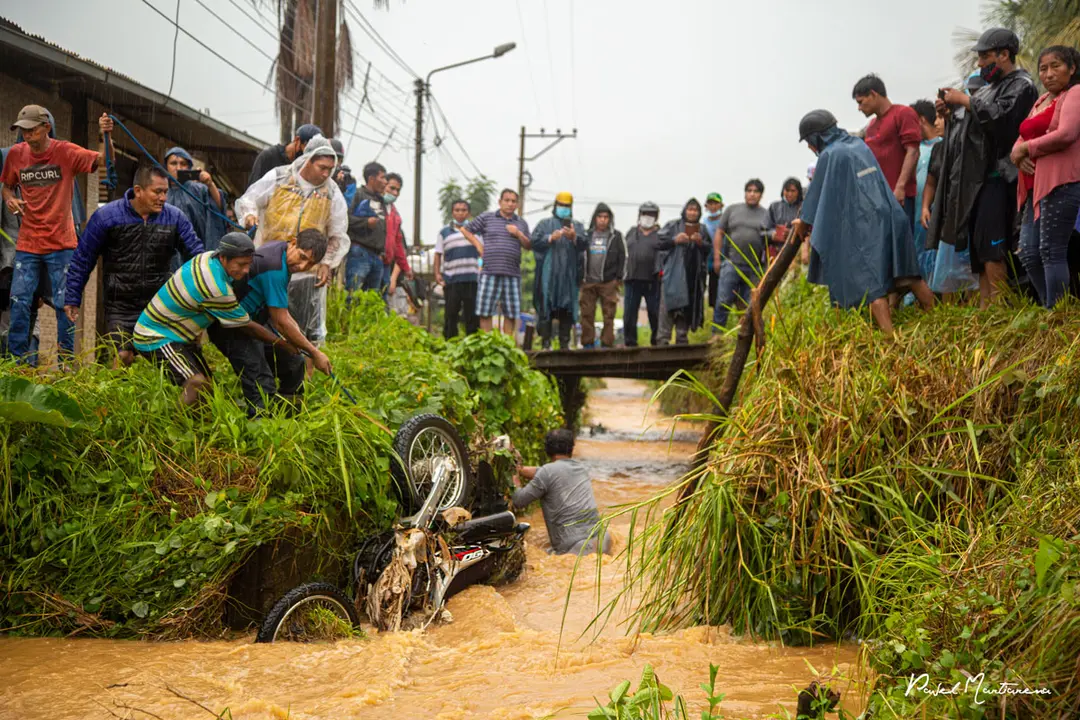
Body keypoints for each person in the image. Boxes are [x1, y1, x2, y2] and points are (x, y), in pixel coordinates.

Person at [791, 109, 935, 335]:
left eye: (810, 141)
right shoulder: (858, 145)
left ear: (819, 137)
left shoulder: (831, 155)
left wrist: (804, 221)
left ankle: (889, 340)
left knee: (871, 285)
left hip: (868, 225)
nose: (810, 147)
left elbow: (816, 193)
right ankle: (936, 317)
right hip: (891, 216)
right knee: (909, 274)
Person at [928, 27, 1038, 309]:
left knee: (994, 248)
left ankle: (1001, 310)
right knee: (980, 252)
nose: (980, 64)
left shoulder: (1022, 85)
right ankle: (987, 311)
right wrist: (950, 113)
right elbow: (972, 131)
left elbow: (1002, 120)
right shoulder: (989, 90)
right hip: (979, 181)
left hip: (1003, 178)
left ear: (1004, 54)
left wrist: (965, 100)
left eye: (985, 57)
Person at [1, 106, 114, 363]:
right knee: (19, 301)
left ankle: (65, 363)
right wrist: (9, 199)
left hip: (62, 244)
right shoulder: (16, 156)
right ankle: (16, 364)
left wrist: (105, 136)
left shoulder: (65, 152)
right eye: (23, 130)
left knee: (66, 306)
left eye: (32, 130)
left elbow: (104, 161)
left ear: (46, 128)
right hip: (28, 243)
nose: (27, 135)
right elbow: (7, 187)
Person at [64, 166, 204, 366]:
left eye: (166, 192)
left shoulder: (175, 217)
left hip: (160, 304)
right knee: (122, 357)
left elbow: (196, 255)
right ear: (138, 191)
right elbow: (83, 258)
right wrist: (72, 297)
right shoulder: (106, 217)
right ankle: (116, 397)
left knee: (169, 360)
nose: (163, 198)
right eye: (157, 192)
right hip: (120, 305)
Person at [132, 234, 282, 406]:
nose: (246, 270)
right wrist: (281, 343)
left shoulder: (207, 258)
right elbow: (246, 325)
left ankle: (195, 428)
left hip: (177, 333)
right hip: (155, 336)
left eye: (249, 264)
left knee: (209, 390)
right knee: (197, 384)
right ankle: (171, 428)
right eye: (241, 264)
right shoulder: (216, 288)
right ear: (223, 257)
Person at [235, 135, 348, 348]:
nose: (326, 173)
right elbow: (249, 199)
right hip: (271, 264)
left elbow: (338, 233)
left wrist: (327, 263)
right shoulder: (280, 177)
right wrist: (250, 215)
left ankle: (305, 372)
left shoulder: (331, 191)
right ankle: (264, 361)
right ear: (309, 160)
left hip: (308, 269)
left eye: (330, 169)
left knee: (305, 329)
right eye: (322, 167)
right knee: (265, 321)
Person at [208, 229, 333, 416]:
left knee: (294, 363)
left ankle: (288, 417)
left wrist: (304, 347)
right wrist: (315, 353)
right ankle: (260, 428)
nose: (302, 265)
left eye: (310, 263)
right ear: (292, 242)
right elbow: (281, 321)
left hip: (256, 323)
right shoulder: (273, 266)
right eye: (301, 257)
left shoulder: (282, 254)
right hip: (232, 327)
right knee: (261, 381)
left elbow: (284, 317)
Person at [1011, 46, 1080, 308]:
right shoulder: (1041, 102)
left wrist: (1027, 149)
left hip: (1061, 182)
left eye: (1056, 66)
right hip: (1033, 189)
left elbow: (1067, 134)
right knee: (1029, 253)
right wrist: (1016, 154)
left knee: (1051, 251)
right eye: (1043, 68)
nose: (1048, 74)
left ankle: (1058, 314)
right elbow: (1020, 138)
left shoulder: (1075, 93)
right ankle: (1049, 308)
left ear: (1072, 68)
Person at [924, 73, 984, 298]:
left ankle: (975, 306)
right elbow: (933, 179)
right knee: (950, 262)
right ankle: (952, 313)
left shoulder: (979, 120)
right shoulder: (943, 144)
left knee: (972, 261)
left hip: (972, 198)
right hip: (951, 203)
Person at [512, 429, 611, 556]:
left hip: (576, 549)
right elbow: (548, 474)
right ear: (571, 449)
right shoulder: (581, 469)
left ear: (547, 450)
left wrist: (513, 476)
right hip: (603, 540)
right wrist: (520, 470)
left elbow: (518, 501)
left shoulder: (547, 473)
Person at [853, 74, 923, 228]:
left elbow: (913, 151)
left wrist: (900, 187)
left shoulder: (903, 114)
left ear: (873, 94)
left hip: (900, 197)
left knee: (901, 246)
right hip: (878, 200)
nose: (859, 108)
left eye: (861, 102)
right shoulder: (870, 126)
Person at [466, 189, 531, 339]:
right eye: (506, 200)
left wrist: (518, 234)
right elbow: (466, 229)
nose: (510, 204)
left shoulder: (521, 223)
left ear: (517, 204)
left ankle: (506, 346)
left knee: (510, 313)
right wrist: (478, 245)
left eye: (513, 201)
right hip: (489, 271)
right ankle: (487, 344)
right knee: (485, 311)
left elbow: (528, 245)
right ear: (500, 202)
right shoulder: (487, 217)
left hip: (512, 273)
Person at [531, 192, 586, 349]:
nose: (564, 209)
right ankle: (545, 343)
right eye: (561, 205)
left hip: (569, 277)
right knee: (545, 308)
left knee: (567, 309)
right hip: (548, 276)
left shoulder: (577, 226)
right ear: (555, 205)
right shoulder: (544, 224)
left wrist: (574, 237)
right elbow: (533, 241)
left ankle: (564, 343)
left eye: (567, 206)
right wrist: (550, 238)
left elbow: (585, 243)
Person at [713, 179, 768, 330]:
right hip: (732, 263)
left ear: (761, 195)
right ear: (745, 193)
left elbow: (770, 237)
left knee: (749, 304)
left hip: (754, 266)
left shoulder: (766, 214)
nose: (752, 194)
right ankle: (716, 334)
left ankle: (742, 334)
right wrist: (717, 258)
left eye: (756, 191)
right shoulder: (732, 210)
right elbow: (719, 232)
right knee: (723, 299)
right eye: (749, 191)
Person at [656, 198, 710, 345]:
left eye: (695, 210)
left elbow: (709, 249)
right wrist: (674, 240)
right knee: (667, 309)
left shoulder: (703, 229)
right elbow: (658, 243)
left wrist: (700, 243)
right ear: (685, 211)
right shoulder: (673, 225)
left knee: (686, 310)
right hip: (672, 275)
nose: (692, 213)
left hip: (692, 278)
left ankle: (681, 341)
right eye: (690, 209)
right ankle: (662, 342)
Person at [163, 146, 229, 252]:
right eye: (173, 163)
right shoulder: (161, 190)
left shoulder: (198, 189)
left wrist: (210, 184)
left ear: (188, 167)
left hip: (195, 251)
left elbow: (218, 208)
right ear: (166, 166)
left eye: (183, 164)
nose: (178, 168)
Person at [434, 199, 483, 338]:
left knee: (472, 315)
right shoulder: (444, 232)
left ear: (469, 213)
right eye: (457, 210)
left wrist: (481, 270)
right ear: (452, 212)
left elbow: (483, 252)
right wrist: (437, 273)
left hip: (472, 279)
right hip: (451, 280)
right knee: (451, 314)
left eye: (464, 210)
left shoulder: (476, 231)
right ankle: (450, 344)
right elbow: (438, 254)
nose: (460, 213)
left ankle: (472, 345)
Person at [579, 203, 625, 348]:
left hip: (608, 282)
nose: (603, 220)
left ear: (610, 219)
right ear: (595, 218)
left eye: (606, 217)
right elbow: (579, 255)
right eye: (600, 216)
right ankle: (588, 343)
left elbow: (623, 257)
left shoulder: (616, 236)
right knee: (586, 314)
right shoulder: (587, 235)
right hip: (588, 281)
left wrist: (619, 278)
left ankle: (607, 344)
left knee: (609, 314)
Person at [911, 100, 944, 284]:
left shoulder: (943, 144)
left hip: (939, 213)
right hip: (918, 215)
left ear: (921, 120)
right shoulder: (914, 149)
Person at [623, 201, 663, 347]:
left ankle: (656, 342)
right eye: (645, 214)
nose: (647, 217)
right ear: (640, 215)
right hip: (632, 279)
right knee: (629, 314)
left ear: (656, 217)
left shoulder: (661, 234)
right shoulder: (631, 232)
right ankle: (630, 343)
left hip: (653, 280)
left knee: (655, 313)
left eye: (651, 214)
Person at [345, 161, 388, 296]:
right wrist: (365, 222)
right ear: (371, 178)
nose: (385, 182)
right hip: (360, 252)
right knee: (354, 295)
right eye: (382, 177)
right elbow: (345, 219)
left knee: (372, 299)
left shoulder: (381, 200)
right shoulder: (357, 194)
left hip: (377, 256)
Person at [245, 123, 321, 190]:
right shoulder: (268, 157)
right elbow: (253, 190)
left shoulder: (305, 165)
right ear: (297, 140)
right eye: (307, 149)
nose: (307, 155)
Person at [382, 173, 414, 315]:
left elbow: (400, 250)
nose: (394, 193)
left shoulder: (395, 216)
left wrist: (394, 278)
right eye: (391, 188)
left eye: (397, 190)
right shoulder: (375, 208)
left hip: (390, 274)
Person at [765, 179, 803, 262]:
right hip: (776, 253)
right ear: (783, 191)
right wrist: (772, 235)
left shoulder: (804, 207)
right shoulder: (774, 206)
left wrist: (791, 233)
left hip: (797, 254)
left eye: (793, 191)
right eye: (787, 190)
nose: (789, 194)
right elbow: (763, 230)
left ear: (799, 192)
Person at [702, 193, 725, 310]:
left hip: (722, 261)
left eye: (716, 203)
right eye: (710, 204)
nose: (713, 206)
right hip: (706, 262)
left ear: (721, 205)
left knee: (722, 294)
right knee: (710, 295)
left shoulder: (725, 221)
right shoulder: (703, 222)